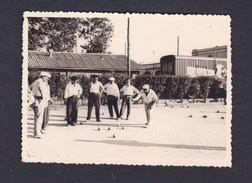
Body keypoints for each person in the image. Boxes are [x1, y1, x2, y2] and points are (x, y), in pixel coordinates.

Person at [31, 71, 51, 138]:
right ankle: (37, 133)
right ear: (43, 77)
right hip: (38, 101)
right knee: (38, 117)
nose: (48, 79)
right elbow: (43, 92)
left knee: (39, 117)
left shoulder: (38, 81)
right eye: (47, 77)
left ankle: (38, 131)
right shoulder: (40, 82)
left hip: (39, 101)